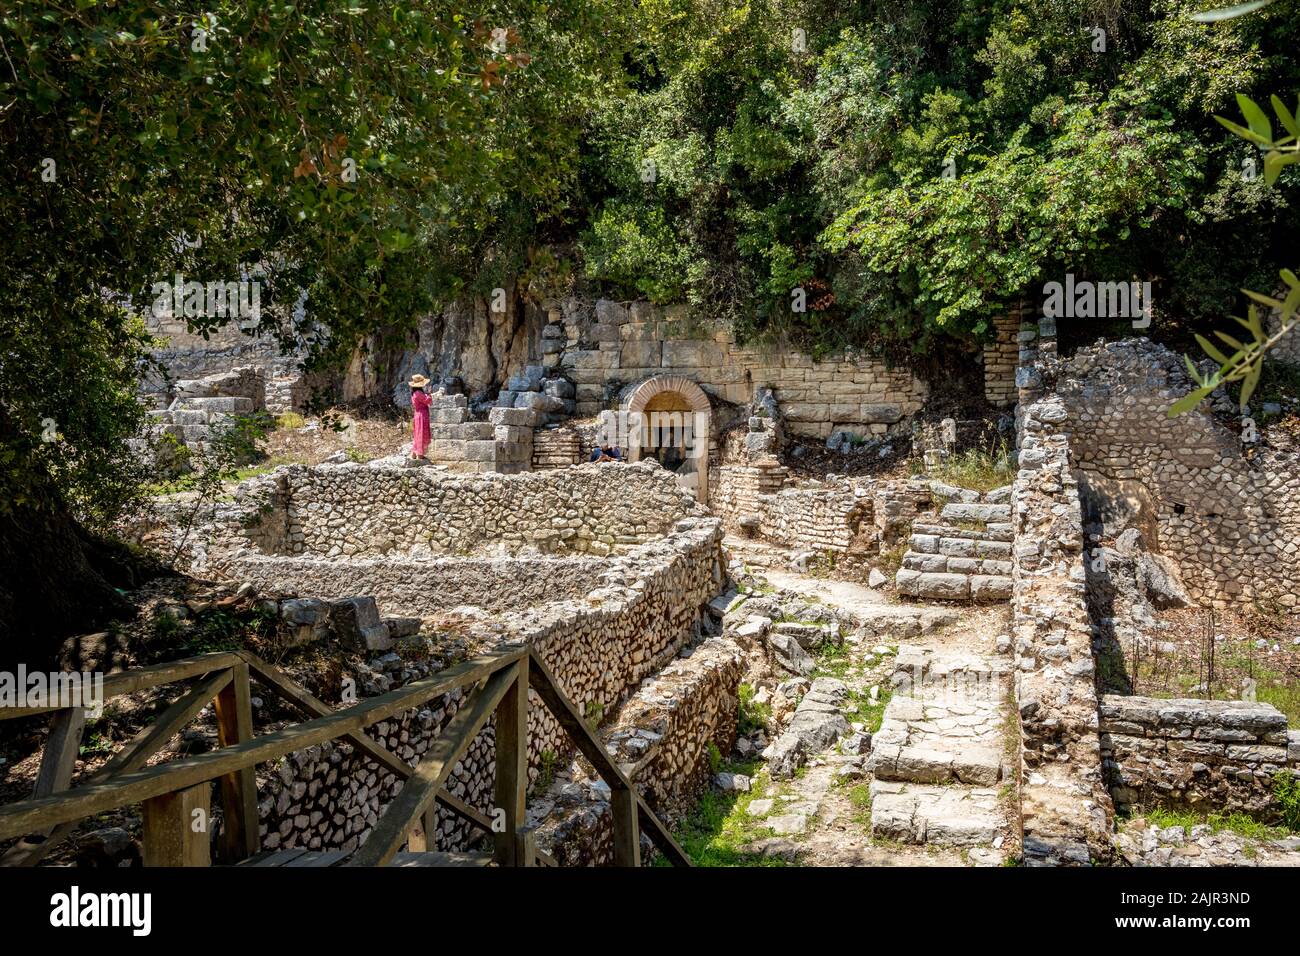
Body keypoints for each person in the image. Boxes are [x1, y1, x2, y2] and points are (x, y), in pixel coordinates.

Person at [409, 374, 432, 459]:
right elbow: (427, 401)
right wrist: (429, 393)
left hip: (418, 414)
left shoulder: (414, 393)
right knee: (421, 433)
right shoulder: (418, 393)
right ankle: (420, 454)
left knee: (417, 433)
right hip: (422, 414)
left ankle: (414, 453)